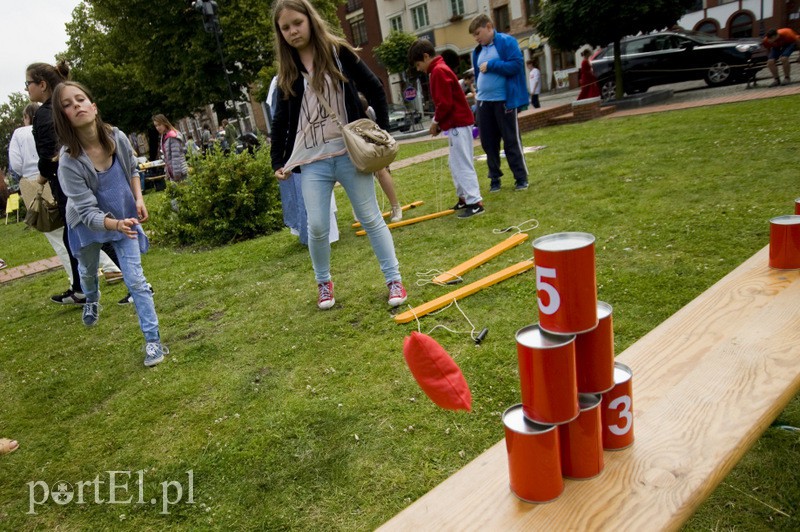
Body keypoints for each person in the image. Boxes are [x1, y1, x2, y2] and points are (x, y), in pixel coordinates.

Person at [270, 0, 407, 310]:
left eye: (297, 23)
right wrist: (277, 159)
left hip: (349, 154)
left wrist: (382, 133)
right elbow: (280, 119)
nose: (293, 31)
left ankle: (394, 279)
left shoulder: (338, 52)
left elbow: (374, 88)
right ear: (280, 33)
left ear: (310, 20)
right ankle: (323, 283)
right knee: (317, 226)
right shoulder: (287, 71)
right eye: (285, 27)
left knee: (371, 218)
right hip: (311, 160)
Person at [53, 81, 168, 367]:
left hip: (123, 218)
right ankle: (91, 298)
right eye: (67, 105)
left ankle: (153, 342)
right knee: (88, 272)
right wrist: (115, 224)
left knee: (137, 281)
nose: (76, 105)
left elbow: (131, 169)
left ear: (93, 106)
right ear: (62, 117)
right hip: (86, 224)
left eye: (80, 99)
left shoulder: (116, 137)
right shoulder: (68, 163)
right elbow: (89, 213)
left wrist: (138, 199)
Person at [27, 61, 125, 305]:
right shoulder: (57, 110)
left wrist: (41, 177)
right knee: (78, 235)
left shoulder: (45, 114)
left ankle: (127, 279)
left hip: (67, 183)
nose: (26, 89)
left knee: (92, 231)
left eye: (27, 84)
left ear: (42, 85)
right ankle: (81, 289)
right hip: (81, 177)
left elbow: (52, 154)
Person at [10, 102, 123, 287]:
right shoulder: (55, 122)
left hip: (38, 181)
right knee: (79, 226)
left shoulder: (21, 134)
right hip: (62, 177)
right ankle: (107, 268)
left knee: (59, 235)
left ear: (26, 117)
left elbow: (16, 164)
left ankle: (80, 281)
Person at [409, 39, 484, 219]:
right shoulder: (439, 69)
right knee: (455, 162)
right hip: (455, 124)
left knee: (462, 163)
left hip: (458, 123)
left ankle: (475, 202)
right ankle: (464, 198)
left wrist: (436, 123)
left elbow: (445, 104)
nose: (419, 68)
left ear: (426, 56)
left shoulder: (438, 72)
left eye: (418, 64)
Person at [469, 14, 529, 192]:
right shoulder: (477, 51)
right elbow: (480, 75)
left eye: (478, 33)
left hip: (504, 101)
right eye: (474, 36)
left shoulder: (507, 42)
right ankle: (494, 178)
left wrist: (493, 65)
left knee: (511, 140)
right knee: (488, 142)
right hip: (484, 103)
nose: (477, 38)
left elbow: (516, 66)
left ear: (489, 26)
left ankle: (521, 177)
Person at [357, 93, 403, 222]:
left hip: (371, 140)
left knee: (381, 171)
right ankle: (362, 210)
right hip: (354, 142)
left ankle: (395, 207)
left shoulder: (368, 109)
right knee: (357, 174)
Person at [152, 114, 187, 182]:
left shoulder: (172, 136)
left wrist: (176, 175)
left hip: (180, 173)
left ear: (164, 123)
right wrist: (168, 172)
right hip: (172, 174)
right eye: (156, 125)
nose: (158, 127)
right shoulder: (164, 136)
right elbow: (167, 157)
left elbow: (176, 157)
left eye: (159, 125)